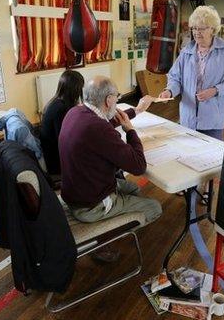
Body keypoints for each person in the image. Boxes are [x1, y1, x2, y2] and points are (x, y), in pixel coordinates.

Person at [59, 76, 162, 225]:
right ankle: (118, 228)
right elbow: (139, 166)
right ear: (108, 100)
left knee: (133, 188)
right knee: (155, 207)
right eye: (117, 97)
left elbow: (106, 123)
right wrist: (131, 131)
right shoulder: (99, 129)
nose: (117, 101)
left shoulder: (75, 112)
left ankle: (124, 207)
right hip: (91, 206)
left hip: (75, 193)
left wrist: (137, 110)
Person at [158, 5, 224, 141]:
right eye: (194, 28)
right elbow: (175, 77)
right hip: (188, 115)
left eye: (201, 28)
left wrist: (215, 90)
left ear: (212, 29)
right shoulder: (186, 50)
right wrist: (170, 91)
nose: (196, 32)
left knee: (211, 156)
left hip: (213, 117)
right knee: (188, 153)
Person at [39, 70, 84, 176]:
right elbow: (65, 141)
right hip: (56, 162)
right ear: (74, 89)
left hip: (51, 153)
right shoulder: (61, 109)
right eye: (80, 88)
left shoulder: (55, 102)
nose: (81, 91)